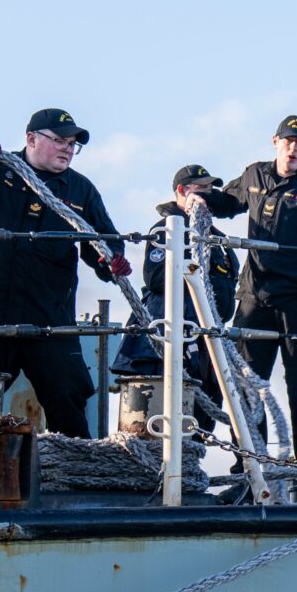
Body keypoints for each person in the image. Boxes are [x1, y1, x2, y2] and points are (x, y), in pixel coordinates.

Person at [0, 108, 129, 437]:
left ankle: (77, 474)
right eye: (60, 140)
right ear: (31, 139)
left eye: (73, 144)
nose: (68, 149)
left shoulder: (80, 190)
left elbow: (103, 243)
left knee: (68, 401)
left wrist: (112, 261)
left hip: (50, 318)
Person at [205, 115, 297, 461]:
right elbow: (227, 204)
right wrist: (193, 197)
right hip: (254, 299)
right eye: (288, 141)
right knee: (248, 393)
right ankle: (250, 472)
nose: (294, 148)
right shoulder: (254, 174)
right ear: (276, 142)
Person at [112, 165, 240, 433]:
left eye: (210, 190)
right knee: (160, 421)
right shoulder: (165, 231)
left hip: (206, 339)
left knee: (202, 420)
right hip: (170, 338)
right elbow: (156, 279)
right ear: (182, 191)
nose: (208, 195)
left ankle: (189, 472)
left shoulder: (217, 238)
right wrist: (194, 259)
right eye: (201, 189)